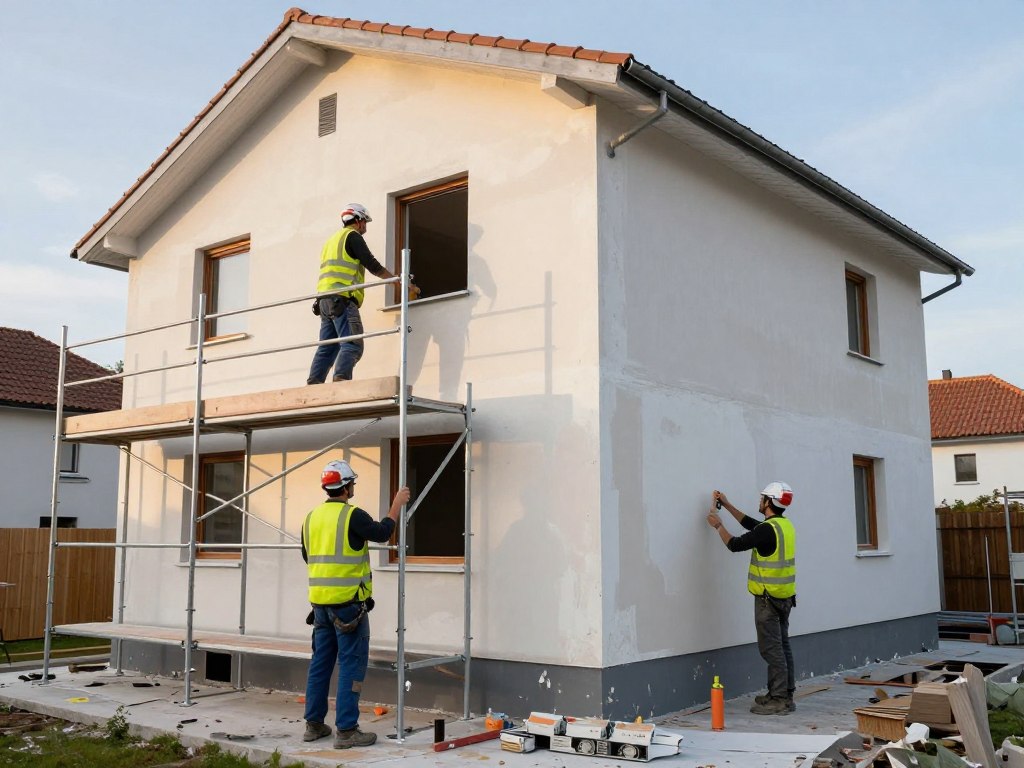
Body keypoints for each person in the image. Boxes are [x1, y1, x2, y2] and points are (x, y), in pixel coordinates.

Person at [301, 458, 410, 748]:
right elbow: (383, 534)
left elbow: (307, 556)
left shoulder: (311, 518)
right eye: (353, 484)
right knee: (351, 665)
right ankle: (347, 731)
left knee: (320, 665)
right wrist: (396, 504)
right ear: (346, 486)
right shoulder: (352, 516)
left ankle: (313, 726)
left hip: (320, 608)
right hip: (349, 608)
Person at [706, 482, 796, 716]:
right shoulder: (782, 526)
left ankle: (779, 699)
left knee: (771, 650)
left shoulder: (768, 530)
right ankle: (784, 693)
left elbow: (735, 545)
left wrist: (718, 525)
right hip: (784, 597)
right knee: (782, 647)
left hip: (768, 599)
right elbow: (750, 524)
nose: (759, 500)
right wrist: (726, 504)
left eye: (762, 497)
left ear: (769, 502)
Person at [307, 203, 401, 384]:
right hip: (342, 299)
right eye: (365, 221)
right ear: (358, 221)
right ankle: (341, 381)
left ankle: (314, 383)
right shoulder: (353, 237)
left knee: (327, 347)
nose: (365, 226)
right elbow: (373, 265)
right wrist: (396, 281)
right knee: (352, 344)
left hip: (324, 301)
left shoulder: (332, 240)